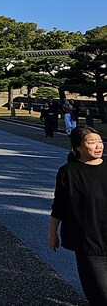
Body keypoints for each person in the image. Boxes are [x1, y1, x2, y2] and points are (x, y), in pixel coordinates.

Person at [49, 127, 107, 305]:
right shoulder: (68, 171)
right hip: (88, 240)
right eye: (91, 142)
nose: (98, 146)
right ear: (77, 147)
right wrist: (53, 233)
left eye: (99, 141)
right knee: (101, 294)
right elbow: (59, 205)